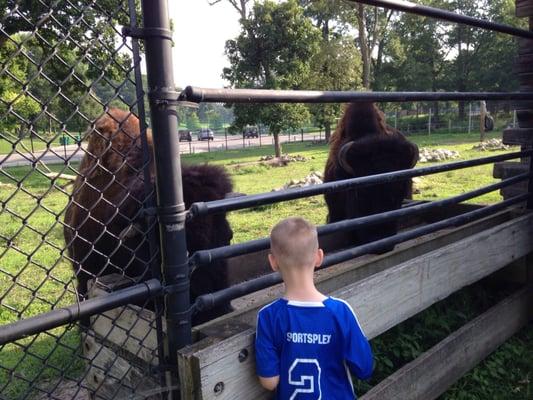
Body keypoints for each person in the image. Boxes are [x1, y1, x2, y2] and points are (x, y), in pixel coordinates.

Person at [255, 217, 373, 399]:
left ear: (273, 262)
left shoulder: (268, 316)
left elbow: (269, 382)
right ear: (319, 257)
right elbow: (364, 368)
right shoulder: (340, 311)